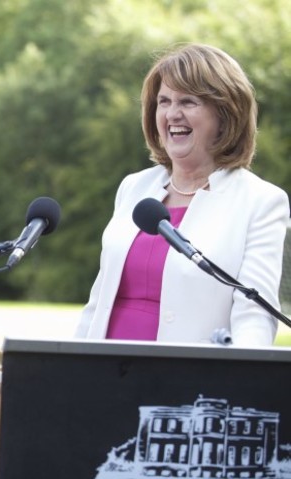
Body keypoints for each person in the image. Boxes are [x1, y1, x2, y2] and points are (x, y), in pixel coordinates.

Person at [75, 43, 289, 347]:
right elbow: (99, 302)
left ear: (225, 115)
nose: (172, 114)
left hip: (187, 384)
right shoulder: (134, 188)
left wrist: (242, 383)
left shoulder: (260, 202)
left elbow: (254, 315)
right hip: (105, 374)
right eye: (164, 101)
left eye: (188, 102)